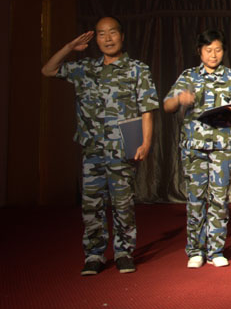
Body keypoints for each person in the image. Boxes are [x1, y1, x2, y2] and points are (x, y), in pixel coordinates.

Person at [41, 16, 159, 276]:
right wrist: (69, 48)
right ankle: (94, 254)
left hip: (122, 147)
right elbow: (48, 70)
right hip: (92, 149)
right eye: (102, 34)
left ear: (122, 36)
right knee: (91, 204)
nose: (108, 38)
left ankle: (124, 252)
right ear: (95, 39)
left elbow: (147, 109)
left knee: (123, 203)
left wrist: (146, 142)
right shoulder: (85, 69)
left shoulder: (137, 69)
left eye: (112, 33)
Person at [164, 29, 231, 269]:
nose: (213, 55)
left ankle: (216, 250)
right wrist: (179, 99)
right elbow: (167, 105)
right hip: (194, 146)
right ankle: (195, 250)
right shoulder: (188, 76)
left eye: (218, 50)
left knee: (219, 198)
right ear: (199, 51)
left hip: (222, 145)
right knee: (195, 198)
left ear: (224, 51)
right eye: (208, 50)